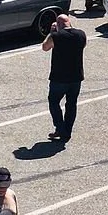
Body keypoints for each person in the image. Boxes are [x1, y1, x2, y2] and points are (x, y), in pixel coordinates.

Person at [41, 12, 86, 142]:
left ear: (58, 24)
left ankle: (60, 128)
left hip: (59, 78)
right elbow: (83, 46)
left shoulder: (56, 36)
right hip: (76, 77)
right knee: (71, 104)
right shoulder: (81, 34)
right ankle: (67, 131)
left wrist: (51, 32)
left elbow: (45, 47)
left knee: (54, 102)